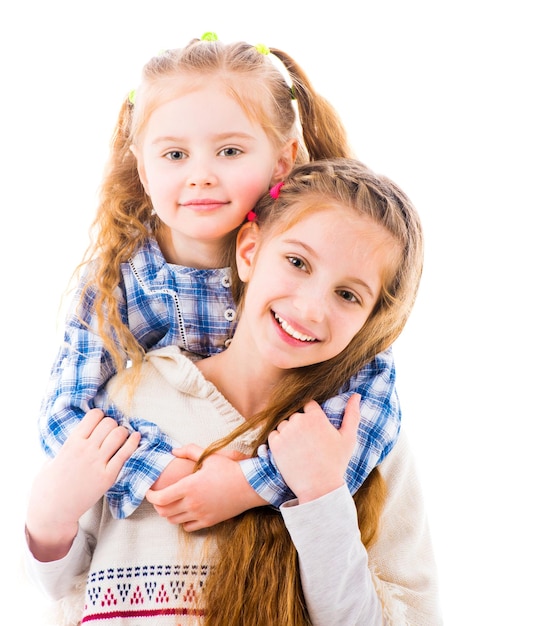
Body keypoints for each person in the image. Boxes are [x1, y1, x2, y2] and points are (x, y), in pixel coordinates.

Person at [25, 158, 441, 625]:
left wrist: (322, 494)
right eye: (297, 262)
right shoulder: (129, 399)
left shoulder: (360, 438)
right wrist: (48, 518)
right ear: (249, 251)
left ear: (370, 320)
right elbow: (64, 586)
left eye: (348, 295)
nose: (310, 308)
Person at [37, 34, 405, 527]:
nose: (201, 175)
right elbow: (65, 412)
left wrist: (250, 482)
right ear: (142, 167)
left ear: (281, 161)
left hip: (274, 508)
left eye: (229, 151)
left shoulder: (312, 266)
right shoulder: (120, 277)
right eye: (174, 155)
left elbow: (372, 407)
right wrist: (159, 470)